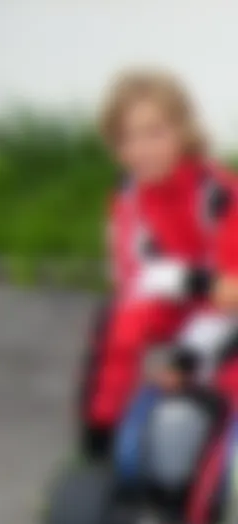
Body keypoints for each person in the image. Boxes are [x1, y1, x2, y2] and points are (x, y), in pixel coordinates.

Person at [78, 68, 238, 461]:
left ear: (183, 131)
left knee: (220, 379)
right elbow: (133, 281)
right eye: (128, 138)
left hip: (224, 309)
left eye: (155, 133)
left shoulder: (218, 193)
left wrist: (187, 354)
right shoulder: (128, 198)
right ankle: (103, 442)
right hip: (178, 301)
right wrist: (190, 285)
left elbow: (230, 291)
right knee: (117, 323)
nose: (142, 149)